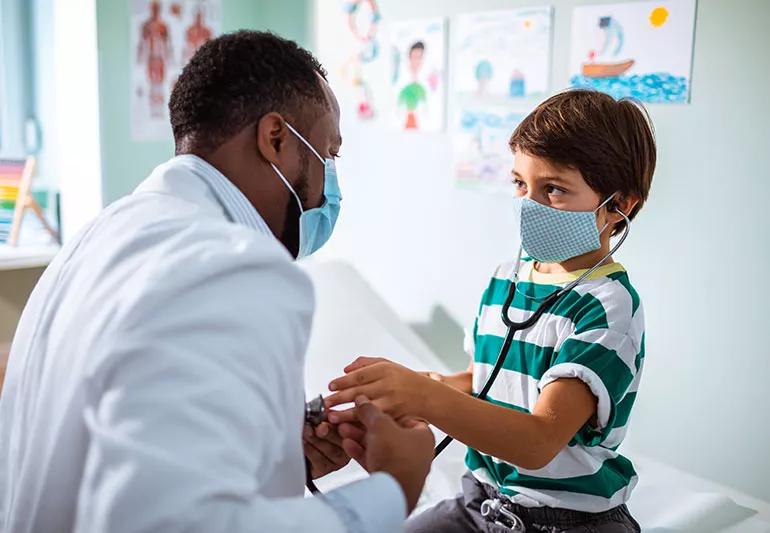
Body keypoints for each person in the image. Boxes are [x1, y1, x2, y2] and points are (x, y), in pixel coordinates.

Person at [0, 30, 434, 533]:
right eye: (328, 153)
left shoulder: (101, 236)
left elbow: (118, 449)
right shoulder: (228, 264)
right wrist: (394, 487)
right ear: (276, 139)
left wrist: (275, 451)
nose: (330, 181)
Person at [326, 89, 656, 532]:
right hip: (482, 503)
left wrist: (429, 398)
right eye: (521, 183)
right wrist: (425, 388)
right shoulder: (509, 277)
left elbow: (539, 439)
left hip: (571, 520)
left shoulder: (607, 307)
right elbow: (491, 381)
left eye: (553, 189)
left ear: (619, 207)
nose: (529, 204)